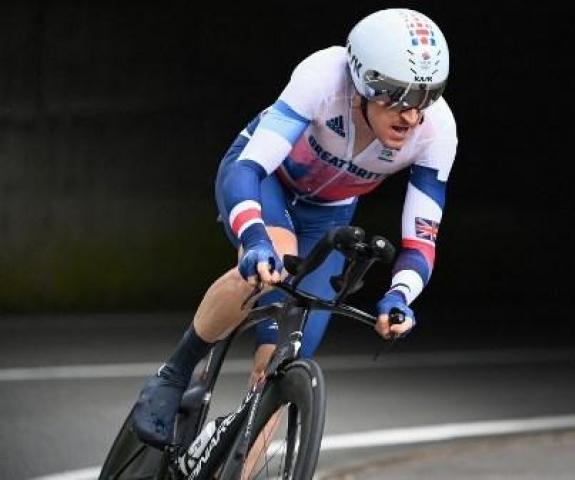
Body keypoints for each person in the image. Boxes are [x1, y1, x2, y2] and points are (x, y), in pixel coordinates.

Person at [131, 7, 457, 448]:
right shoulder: (324, 75)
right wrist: (253, 238)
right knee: (275, 264)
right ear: (361, 81)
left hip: (329, 212)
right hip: (268, 182)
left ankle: (235, 458)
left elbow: (420, 239)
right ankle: (175, 373)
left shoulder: (437, 131)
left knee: (286, 357)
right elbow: (249, 168)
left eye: (425, 97)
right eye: (395, 96)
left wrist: (400, 295)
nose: (411, 116)